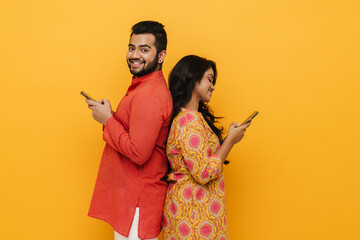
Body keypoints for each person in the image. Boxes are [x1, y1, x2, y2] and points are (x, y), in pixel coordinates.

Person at [85, 21, 172, 240]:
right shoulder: (143, 86)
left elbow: (138, 153)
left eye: (144, 49)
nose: (134, 55)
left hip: (137, 204)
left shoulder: (149, 95)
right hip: (133, 201)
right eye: (132, 47)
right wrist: (109, 116)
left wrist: (107, 121)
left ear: (161, 56)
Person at [162, 55, 251, 239]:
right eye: (209, 79)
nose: (213, 86)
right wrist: (230, 141)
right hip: (194, 214)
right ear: (194, 80)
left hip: (196, 211)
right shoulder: (189, 122)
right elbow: (204, 173)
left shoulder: (191, 118)